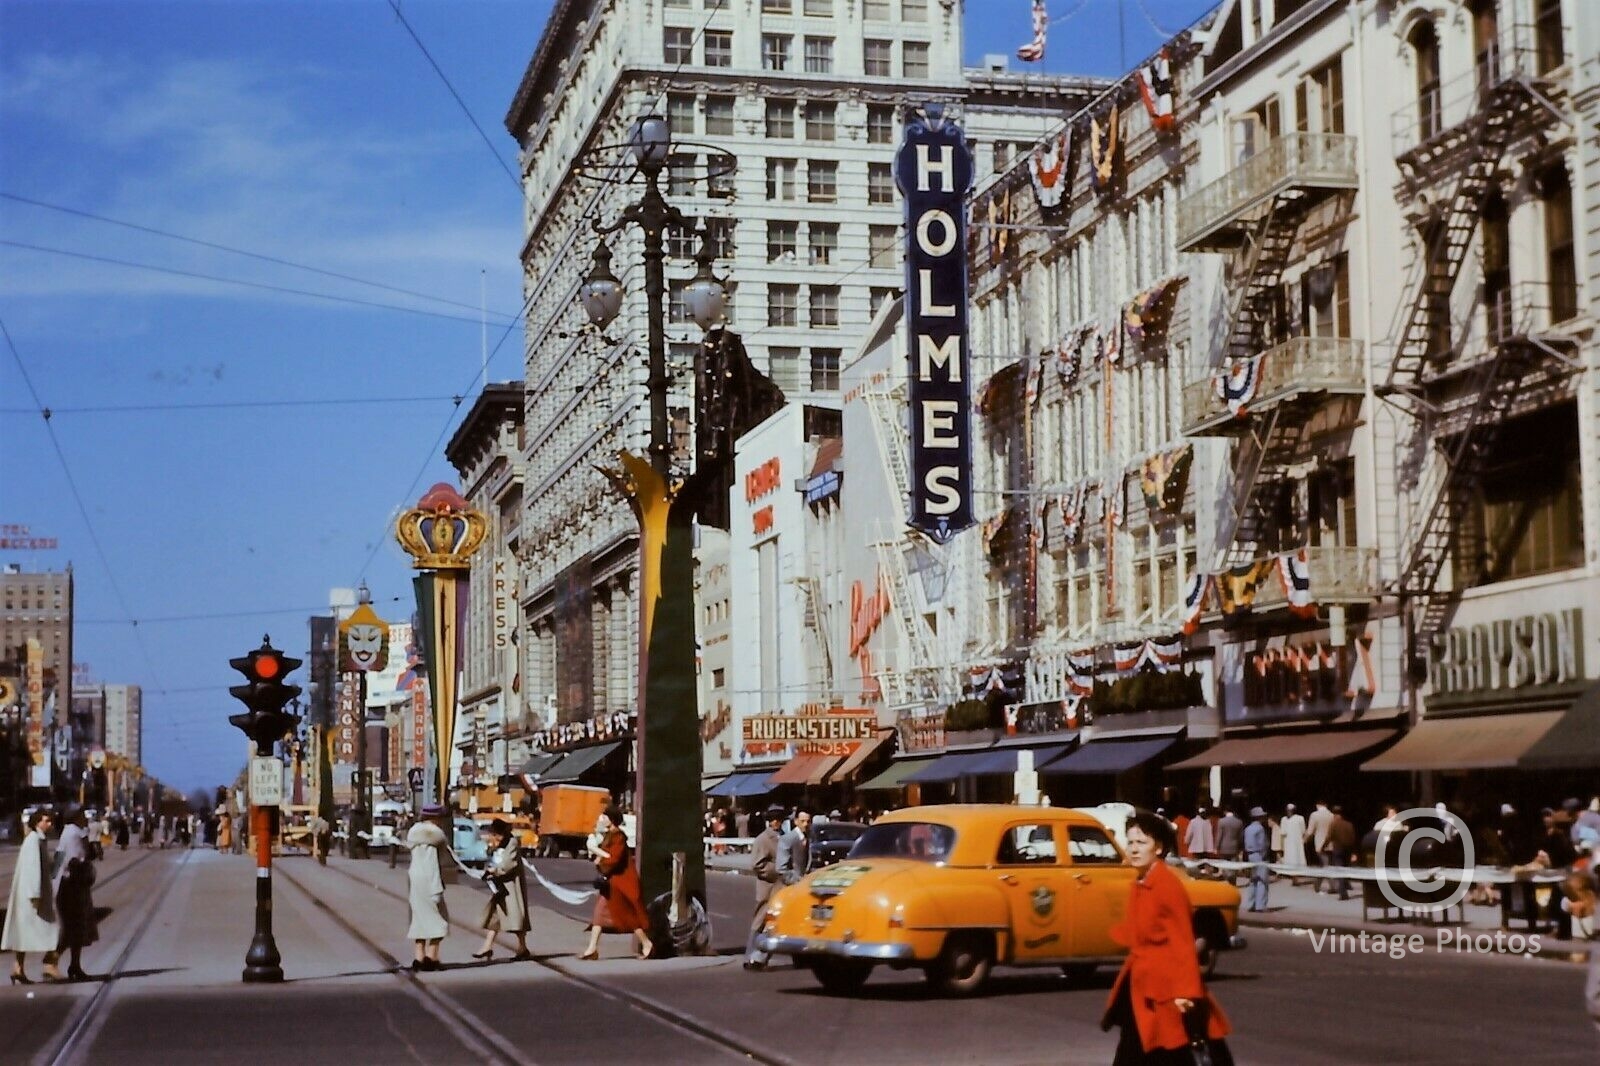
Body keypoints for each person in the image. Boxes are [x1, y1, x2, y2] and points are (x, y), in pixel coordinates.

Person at [1102, 811, 1232, 1065]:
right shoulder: (1141, 882)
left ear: (1159, 848)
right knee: (1139, 1048)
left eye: (1142, 843)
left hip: (1166, 992)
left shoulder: (1167, 886)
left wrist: (1186, 992)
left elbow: (1183, 942)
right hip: (1142, 986)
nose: (1134, 849)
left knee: (1165, 1050)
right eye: (1130, 842)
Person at [581, 806, 653, 961]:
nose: (602, 820)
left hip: (620, 883)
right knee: (600, 914)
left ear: (612, 819)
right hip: (613, 883)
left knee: (627, 915)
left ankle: (646, 943)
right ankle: (592, 948)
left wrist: (599, 856)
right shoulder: (610, 835)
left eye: (604, 817)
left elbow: (614, 859)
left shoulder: (618, 836)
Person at [4, 809, 62, 984]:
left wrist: (59, 859)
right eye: (46, 821)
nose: (49, 824)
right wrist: (35, 896)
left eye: (51, 821)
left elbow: (47, 869)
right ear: (37, 822)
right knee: (53, 930)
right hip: (32, 897)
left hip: (32, 896)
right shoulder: (33, 841)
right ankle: (49, 966)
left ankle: (17, 968)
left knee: (24, 934)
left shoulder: (38, 840)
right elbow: (32, 869)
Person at [396, 806, 450, 971]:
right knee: (440, 920)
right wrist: (439, 887)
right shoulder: (436, 835)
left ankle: (418, 957)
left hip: (415, 877)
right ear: (436, 818)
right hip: (430, 878)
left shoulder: (413, 832)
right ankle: (431, 957)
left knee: (418, 917)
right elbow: (438, 859)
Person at [473, 820, 532, 961]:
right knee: (496, 916)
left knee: (516, 916)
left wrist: (495, 870)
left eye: (497, 835)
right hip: (501, 886)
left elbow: (508, 864)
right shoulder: (501, 843)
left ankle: (522, 947)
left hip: (510, 886)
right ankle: (487, 947)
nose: (496, 837)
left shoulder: (511, 842)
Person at [53, 809, 99, 981]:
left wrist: (53, 883)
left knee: (75, 929)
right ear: (75, 816)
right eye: (82, 815)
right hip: (73, 887)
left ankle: (74, 966)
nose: (85, 818)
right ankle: (51, 961)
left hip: (65, 885)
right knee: (73, 928)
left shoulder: (66, 833)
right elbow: (75, 860)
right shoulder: (74, 834)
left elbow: (57, 862)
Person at [744, 805, 786, 970]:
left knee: (774, 923)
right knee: (759, 922)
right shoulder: (763, 839)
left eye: (779, 820)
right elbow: (757, 864)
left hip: (781, 887)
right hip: (767, 888)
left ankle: (760, 958)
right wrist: (778, 870)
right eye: (774, 819)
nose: (777, 823)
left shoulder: (783, 837)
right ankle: (750, 956)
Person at [1327, 806, 1358, 901]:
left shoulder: (1333, 824)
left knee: (1340, 870)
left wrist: (1322, 846)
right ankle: (1346, 885)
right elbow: (1353, 838)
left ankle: (1343, 893)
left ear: (1335, 815)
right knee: (1345, 869)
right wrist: (1354, 852)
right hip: (1348, 849)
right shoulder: (1349, 824)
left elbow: (1329, 836)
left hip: (1338, 849)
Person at [1243, 808, 1271, 913]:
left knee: (1252, 880)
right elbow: (1262, 844)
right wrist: (1265, 856)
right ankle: (1261, 905)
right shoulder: (1260, 829)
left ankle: (1251, 904)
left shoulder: (1248, 828)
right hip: (1259, 855)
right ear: (1259, 817)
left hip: (1250, 855)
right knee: (1262, 881)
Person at [777, 809, 811, 883]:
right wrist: (797, 880)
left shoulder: (809, 838)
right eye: (802, 821)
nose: (806, 824)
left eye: (808, 821)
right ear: (796, 821)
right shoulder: (787, 839)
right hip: (793, 885)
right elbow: (781, 869)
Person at [1279, 804, 1308, 878]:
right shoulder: (1284, 819)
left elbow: (1303, 830)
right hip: (1288, 842)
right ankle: (1290, 872)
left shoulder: (1300, 818)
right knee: (1289, 856)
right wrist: (1281, 845)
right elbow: (1282, 833)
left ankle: (1298, 872)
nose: (1289, 812)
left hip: (1297, 842)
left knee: (1298, 855)